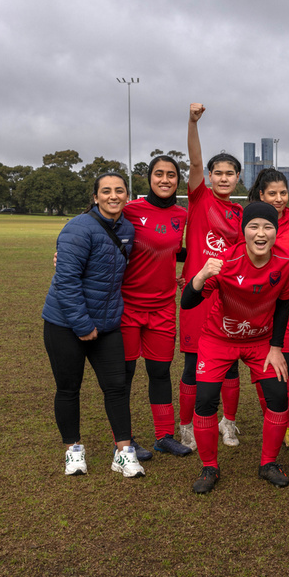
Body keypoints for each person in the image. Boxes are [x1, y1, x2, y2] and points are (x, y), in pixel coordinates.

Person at [180, 202, 289, 493]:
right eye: (254, 226)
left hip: (261, 342)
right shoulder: (224, 262)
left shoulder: (286, 262)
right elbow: (187, 302)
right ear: (243, 231)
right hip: (218, 340)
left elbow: (284, 305)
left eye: (268, 227)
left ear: (276, 231)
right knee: (205, 400)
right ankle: (209, 468)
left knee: (279, 397)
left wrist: (276, 347)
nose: (261, 233)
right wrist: (201, 275)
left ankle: (268, 463)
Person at [42, 172, 144, 479]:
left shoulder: (126, 228)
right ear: (95, 196)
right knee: (69, 388)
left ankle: (124, 453)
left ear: (128, 195)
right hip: (65, 324)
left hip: (108, 324)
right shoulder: (78, 227)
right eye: (106, 191)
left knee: (116, 387)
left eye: (119, 191)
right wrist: (83, 325)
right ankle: (73, 450)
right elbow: (66, 280)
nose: (113, 196)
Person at [178, 103, 246, 452]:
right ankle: (186, 426)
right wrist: (192, 122)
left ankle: (228, 423)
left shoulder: (241, 214)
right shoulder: (199, 197)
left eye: (229, 173)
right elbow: (193, 163)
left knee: (230, 366)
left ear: (238, 178)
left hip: (228, 300)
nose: (222, 177)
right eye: (217, 172)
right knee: (192, 365)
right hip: (196, 294)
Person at [120, 155, 192, 457]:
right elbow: (94, 229)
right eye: (159, 174)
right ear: (149, 178)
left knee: (160, 372)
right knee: (123, 375)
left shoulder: (181, 214)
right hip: (127, 306)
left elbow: (176, 249)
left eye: (171, 175)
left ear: (178, 180)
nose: (165, 180)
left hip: (163, 307)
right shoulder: (131, 210)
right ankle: (123, 439)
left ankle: (164, 437)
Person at [248, 168, 289, 451]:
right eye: (272, 193)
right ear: (261, 195)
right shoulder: (250, 222)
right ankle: (275, 420)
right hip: (260, 306)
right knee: (267, 369)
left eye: (283, 193)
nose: (279, 198)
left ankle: (288, 426)